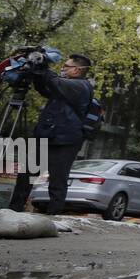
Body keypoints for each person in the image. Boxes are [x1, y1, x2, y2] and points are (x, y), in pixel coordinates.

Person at [30, 53, 94, 215]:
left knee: (57, 179)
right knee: (26, 174)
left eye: (66, 66)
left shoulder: (81, 86)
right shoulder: (64, 86)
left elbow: (54, 81)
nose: (63, 68)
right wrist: (36, 72)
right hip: (46, 135)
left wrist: (43, 65)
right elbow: (44, 88)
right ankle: (15, 209)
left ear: (77, 70)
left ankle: (53, 215)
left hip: (66, 140)